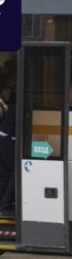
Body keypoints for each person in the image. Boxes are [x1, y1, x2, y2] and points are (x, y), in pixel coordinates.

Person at [0, 70, 16, 217]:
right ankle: (4, 206)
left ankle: (2, 204)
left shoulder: (14, 103)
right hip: (7, 140)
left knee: (5, 174)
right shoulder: (21, 106)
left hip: (3, 138)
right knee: (15, 172)